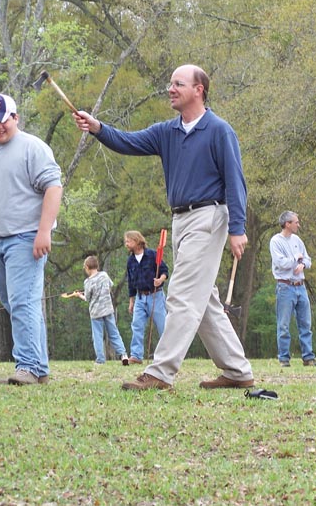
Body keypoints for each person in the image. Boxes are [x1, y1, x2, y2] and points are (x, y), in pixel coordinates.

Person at [74, 64, 255, 391]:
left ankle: (160, 372)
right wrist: (97, 128)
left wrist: (237, 228)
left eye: (178, 84)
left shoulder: (219, 130)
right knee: (204, 300)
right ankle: (237, 371)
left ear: (199, 90)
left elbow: (235, 182)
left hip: (210, 217)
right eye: (170, 83)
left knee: (182, 296)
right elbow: (127, 141)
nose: (170, 89)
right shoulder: (166, 132)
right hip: (181, 220)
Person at [0, 94, 63, 385]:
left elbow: (54, 188)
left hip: (26, 237)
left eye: (3, 121)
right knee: (16, 303)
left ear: (15, 118)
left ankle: (28, 366)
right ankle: (40, 366)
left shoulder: (33, 148)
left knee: (23, 302)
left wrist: (44, 231)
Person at [270, 211, 316, 367]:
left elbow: (307, 259)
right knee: (284, 324)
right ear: (287, 224)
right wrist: (295, 260)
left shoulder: (297, 240)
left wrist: (303, 264)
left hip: (300, 286)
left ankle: (308, 357)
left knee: (305, 323)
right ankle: (284, 358)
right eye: (296, 222)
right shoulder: (275, 241)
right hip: (285, 286)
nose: (298, 225)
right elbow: (280, 263)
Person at [70, 256, 129, 365]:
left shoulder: (87, 282)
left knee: (97, 336)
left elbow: (87, 298)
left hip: (96, 313)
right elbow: (109, 286)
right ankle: (123, 354)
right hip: (108, 309)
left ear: (87, 267)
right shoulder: (104, 275)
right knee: (114, 333)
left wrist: (78, 295)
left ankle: (100, 359)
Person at [123, 230, 168, 364]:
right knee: (136, 325)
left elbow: (165, 270)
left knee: (162, 325)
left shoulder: (153, 255)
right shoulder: (130, 261)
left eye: (128, 241)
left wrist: (160, 280)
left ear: (137, 241)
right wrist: (131, 301)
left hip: (156, 296)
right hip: (139, 298)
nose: (126, 243)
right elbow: (131, 283)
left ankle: (166, 354)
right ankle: (136, 356)